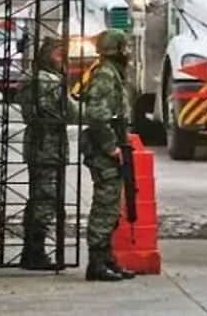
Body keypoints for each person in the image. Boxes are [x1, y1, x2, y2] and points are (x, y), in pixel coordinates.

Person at [16, 36, 77, 270]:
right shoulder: (50, 81)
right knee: (46, 198)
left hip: (36, 143)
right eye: (58, 54)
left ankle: (31, 250)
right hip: (50, 145)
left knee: (38, 196)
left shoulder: (31, 78)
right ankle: (35, 252)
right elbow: (70, 113)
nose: (62, 59)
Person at [80, 29, 135, 281]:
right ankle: (96, 262)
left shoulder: (111, 72)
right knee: (105, 204)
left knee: (113, 203)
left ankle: (106, 257)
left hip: (112, 145)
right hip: (104, 149)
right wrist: (111, 146)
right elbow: (97, 114)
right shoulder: (104, 74)